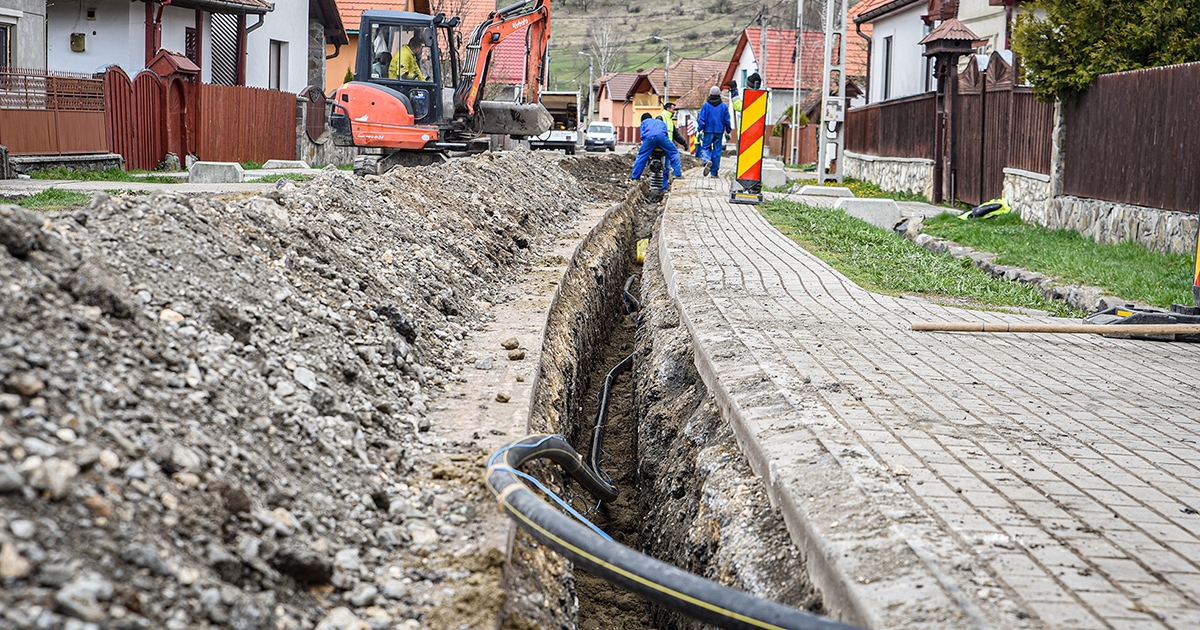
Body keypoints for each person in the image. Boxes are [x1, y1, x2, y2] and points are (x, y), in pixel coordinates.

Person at [630, 112, 682, 193]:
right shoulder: (661, 122)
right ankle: (677, 174)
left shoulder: (644, 123)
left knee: (641, 156)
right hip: (662, 138)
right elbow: (665, 134)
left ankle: (635, 177)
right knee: (674, 152)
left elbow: (642, 136)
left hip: (649, 139)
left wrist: (648, 146)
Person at [698, 86, 732, 178]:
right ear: (719, 95)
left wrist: (699, 129)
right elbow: (727, 120)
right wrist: (728, 130)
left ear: (710, 94)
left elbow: (702, 119)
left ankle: (707, 160)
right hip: (719, 131)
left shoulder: (706, 106)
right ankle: (714, 172)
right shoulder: (724, 106)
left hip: (708, 130)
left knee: (705, 147)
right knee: (717, 151)